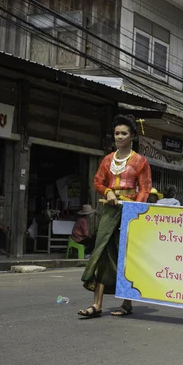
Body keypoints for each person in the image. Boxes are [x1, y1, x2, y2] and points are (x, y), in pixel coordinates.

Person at [78, 114, 152, 318]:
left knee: (125, 256)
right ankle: (97, 304)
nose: (119, 137)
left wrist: (134, 210)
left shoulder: (140, 161)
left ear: (132, 136)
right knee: (101, 252)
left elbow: (145, 189)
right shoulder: (107, 160)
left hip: (130, 212)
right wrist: (107, 192)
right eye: (117, 133)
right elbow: (98, 182)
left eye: (124, 133)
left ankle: (127, 303)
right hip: (109, 211)